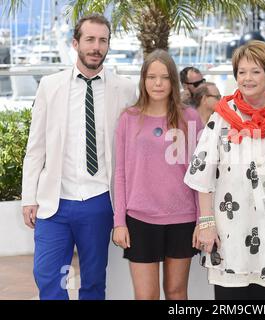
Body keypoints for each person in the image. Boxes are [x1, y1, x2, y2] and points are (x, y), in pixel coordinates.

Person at [21, 14, 137, 300]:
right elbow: (36, 147)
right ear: (76, 43)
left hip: (99, 201)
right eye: (90, 40)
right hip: (55, 202)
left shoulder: (124, 89)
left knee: (94, 280)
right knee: (49, 276)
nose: (96, 47)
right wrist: (29, 197)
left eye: (102, 41)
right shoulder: (50, 86)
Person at [184, 40, 265, 300]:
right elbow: (203, 174)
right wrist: (206, 224)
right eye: (242, 72)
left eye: (256, 71)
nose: (247, 78)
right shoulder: (222, 116)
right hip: (230, 235)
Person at [112, 49, 203, 300]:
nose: (158, 83)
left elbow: (200, 174)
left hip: (182, 218)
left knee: (176, 292)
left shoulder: (190, 118)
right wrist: (119, 222)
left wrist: (202, 220)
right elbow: (121, 173)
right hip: (140, 219)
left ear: (173, 81)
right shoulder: (129, 119)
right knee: (146, 296)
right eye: (151, 77)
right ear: (143, 81)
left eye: (164, 77)